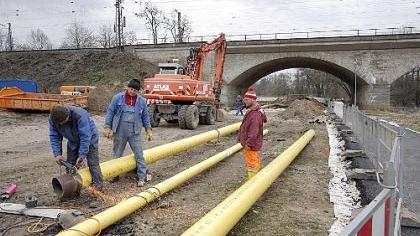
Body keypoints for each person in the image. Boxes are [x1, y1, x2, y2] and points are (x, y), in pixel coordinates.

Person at [102, 78, 153, 187]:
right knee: (117, 154)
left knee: (139, 155)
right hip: (120, 130)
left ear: (138, 91)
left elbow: (145, 117)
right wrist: (107, 127)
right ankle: (115, 175)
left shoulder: (142, 101)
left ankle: (141, 177)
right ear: (127, 88)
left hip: (134, 131)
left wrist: (148, 129)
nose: (132, 92)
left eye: (135, 90)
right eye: (131, 89)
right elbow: (110, 112)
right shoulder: (117, 98)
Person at [49, 105, 104, 191]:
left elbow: (85, 137)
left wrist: (82, 156)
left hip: (90, 138)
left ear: (68, 115)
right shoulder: (53, 118)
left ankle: (98, 187)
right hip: (73, 140)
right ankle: (72, 188)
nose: (61, 124)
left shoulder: (80, 115)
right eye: (59, 123)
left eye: (63, 122)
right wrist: (57, 154)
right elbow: (54, 136)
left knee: (93, 163)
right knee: (70, 164)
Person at [238, 86, 267, 180]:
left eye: (246, 99)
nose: (244, 101)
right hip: (253, 144)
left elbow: (253, 132)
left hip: (251, 145)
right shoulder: (254, 112)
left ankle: (253, 184)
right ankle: (257, 181)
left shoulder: (254, 115)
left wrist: (248, 144)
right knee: (255, 162)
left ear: (252, 100)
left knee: (252, 165)